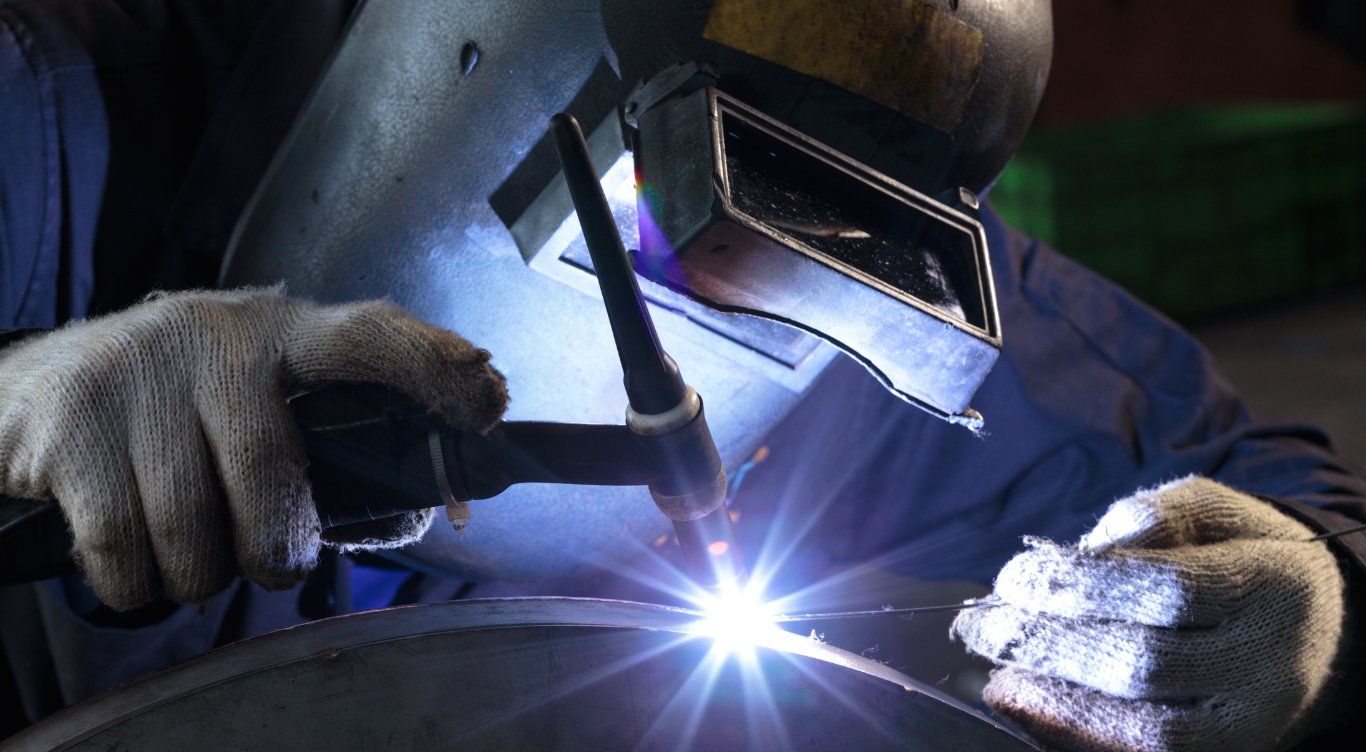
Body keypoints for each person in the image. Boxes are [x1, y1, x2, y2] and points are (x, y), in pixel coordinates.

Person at [1, 1, 1362, 750]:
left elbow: (1234, 486)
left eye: (804, 245)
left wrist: (1298, 606)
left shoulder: (864, 286)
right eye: (667, 211)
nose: (728, 292)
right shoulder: (41, 112)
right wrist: (16, 404)